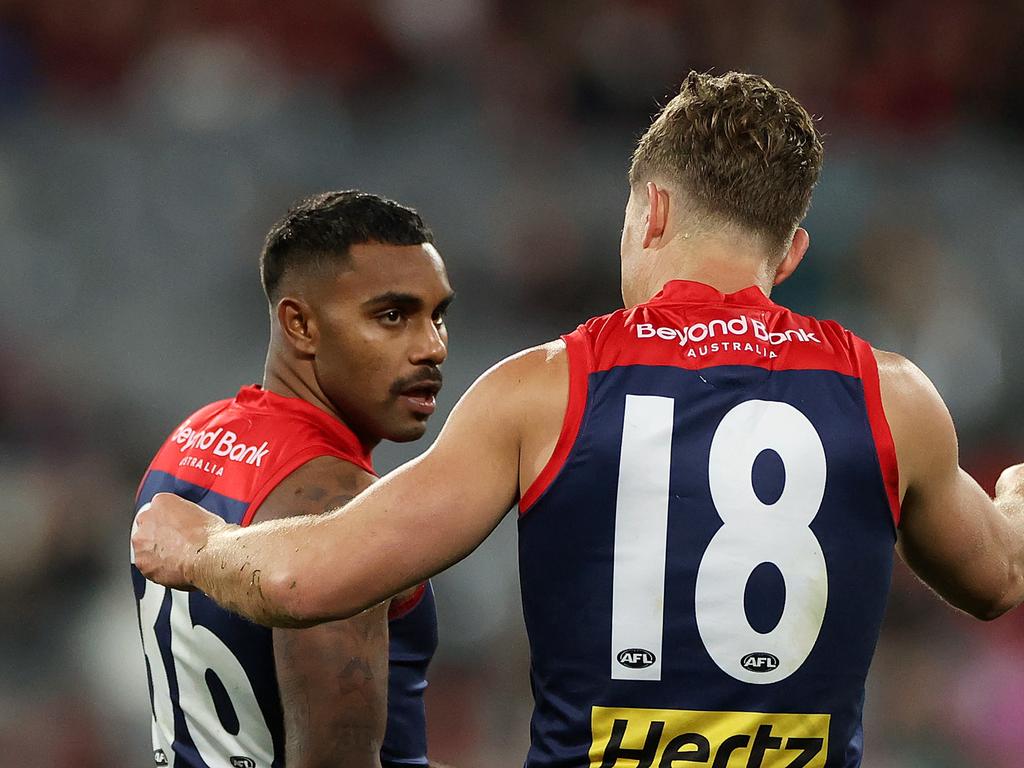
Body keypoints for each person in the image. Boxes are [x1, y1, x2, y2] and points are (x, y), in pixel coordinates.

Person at [133, 72, 1024, 767]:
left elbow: (307, 581)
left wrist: (198, 547)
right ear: (790, 252)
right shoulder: (893, 396)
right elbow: (996, 580)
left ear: (652, 210)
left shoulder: (545, 389)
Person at [130, 191, 455, 768]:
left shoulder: (189, 440)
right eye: (392, 315)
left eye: (438, 315)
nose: (431, 346)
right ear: (300, 324)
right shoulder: (337, 505)